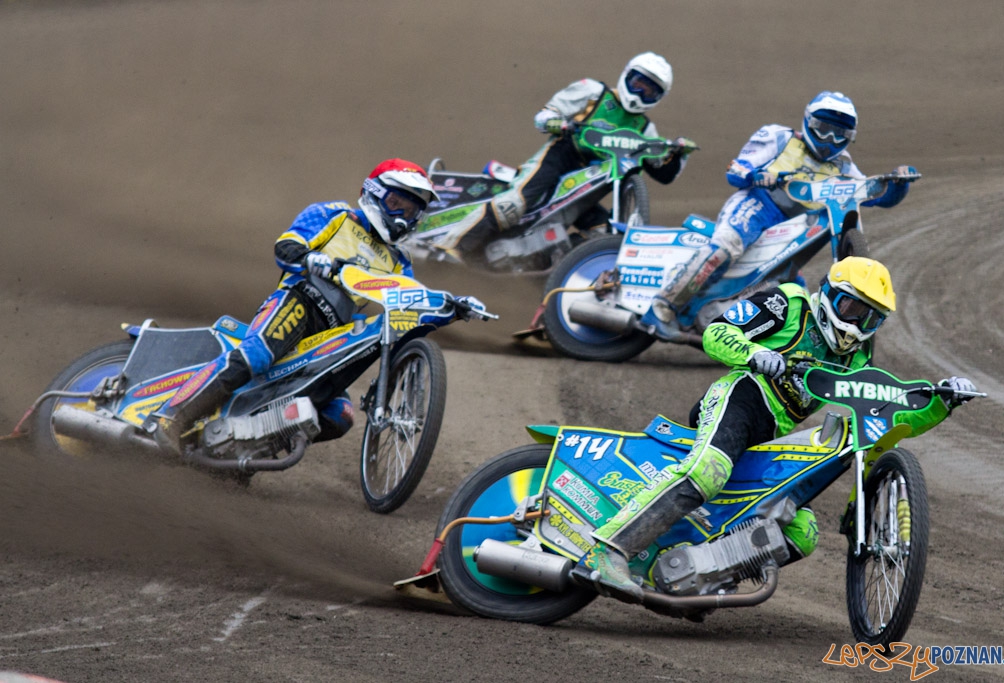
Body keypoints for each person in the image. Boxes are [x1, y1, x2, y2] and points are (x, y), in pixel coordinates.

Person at [574, 257, 978, 603]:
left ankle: (700, 581)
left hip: (771, 433)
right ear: (829, 293)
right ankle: (607, 550)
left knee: (801, 531)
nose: (857, 323)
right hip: (742, 397)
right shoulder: (786, 302)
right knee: (708, 471)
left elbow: (883, 413)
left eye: (870, 316)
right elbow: (717, 331)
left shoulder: (859, 353)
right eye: (851, 307)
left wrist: (941, 402)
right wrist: (755, 354)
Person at [148, 159, 442, 455]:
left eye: (411, 211)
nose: (402, 217)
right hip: (299, 301)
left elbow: (407, 301)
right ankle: (171, 418)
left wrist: (447, 305)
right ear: (374, 192)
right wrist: (311, 259)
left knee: (338, 415)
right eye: (396, 203)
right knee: (256, 356)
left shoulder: (400, 261)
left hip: (334, 335)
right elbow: (286, 246)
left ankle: (241, 452)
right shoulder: (334, 215)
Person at [640, 90, 917, 342]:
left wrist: (899, 183)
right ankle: (662, 307)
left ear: (850, 137)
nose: (829, 140)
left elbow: (873, 196)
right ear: (808, 121)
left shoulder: (843, 164)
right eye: (823, 129)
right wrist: (758, 176)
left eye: (838, 134)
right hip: (758, 207)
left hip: (794, 229)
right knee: (725, 247)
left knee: (793, 290)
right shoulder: (778, 137)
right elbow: (736, 170)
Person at [445, 52, 698, 257]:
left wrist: (679, 153)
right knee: (515, 203)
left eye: (650, 91)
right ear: (626, 76)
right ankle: (451, 247)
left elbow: (664, 174)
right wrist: (558, 122)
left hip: (591, 185)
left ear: (659, 97)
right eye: (638, 84)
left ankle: (556, 268)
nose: (642, 93)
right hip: (562, 157)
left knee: (605, 234)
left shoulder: (645, 129)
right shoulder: (593, 92)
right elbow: (544, 116)